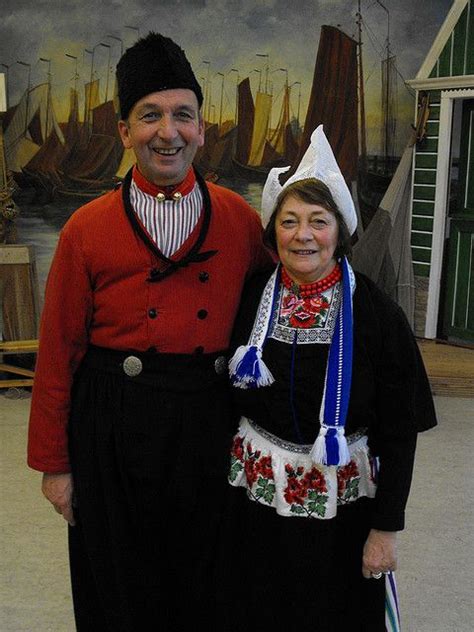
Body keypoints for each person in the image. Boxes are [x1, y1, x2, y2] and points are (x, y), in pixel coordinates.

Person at [27, 33, 271, 631]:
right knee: (119, 586)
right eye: (150, 116)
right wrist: (56, 465)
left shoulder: (240, 220)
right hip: (112, 421)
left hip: (209, 420)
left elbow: (274, 322)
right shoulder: (85, 228)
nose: (169, 132)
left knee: (208, 583)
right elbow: (58, 351)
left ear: (203, 128)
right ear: (124, 132)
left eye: (182, 115)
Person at [217, 126, 437, 631]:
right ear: (274, 232)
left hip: (344, 515)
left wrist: (385, 530)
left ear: (340, 230)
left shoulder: (378, 315)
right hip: (254, 503)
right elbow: (225, 403)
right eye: (290, 221)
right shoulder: (252, 299)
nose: (304, 235)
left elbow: (399, 433)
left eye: (319, 221)